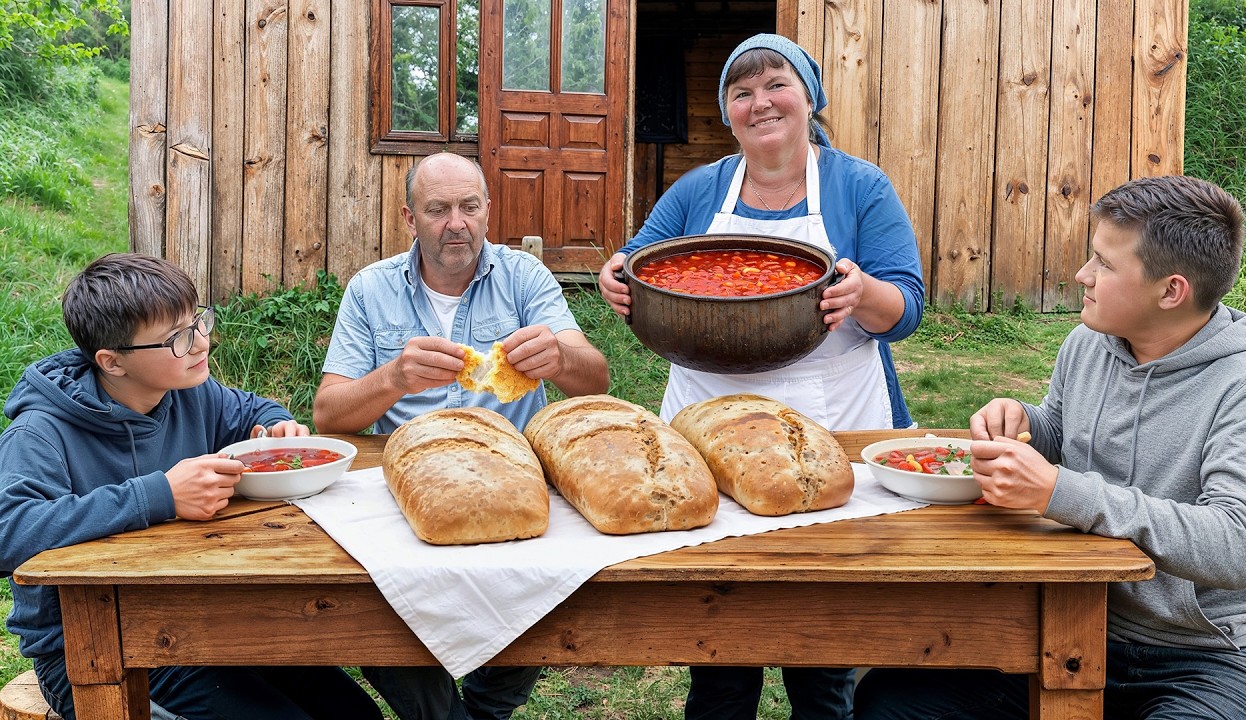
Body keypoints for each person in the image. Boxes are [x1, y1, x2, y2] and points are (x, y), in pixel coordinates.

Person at [855, 175, 1246, 719]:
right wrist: (1023, 420)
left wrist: (1060, 491)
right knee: (891, 706)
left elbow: (1240, 546)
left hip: (1216, 652)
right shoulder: (1090, 343)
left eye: (1104, 263)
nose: (1083, 275)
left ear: (1172, 291)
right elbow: (1060, 429)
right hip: (1076, 619)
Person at [597, 33, 925, 720]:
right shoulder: (698, 189)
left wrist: (861, 294)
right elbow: (637, 258)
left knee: (822, 643)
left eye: (776, 84)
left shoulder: (859, 186)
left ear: (809, 97)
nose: (760, 102)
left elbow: (906, 308)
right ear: (728, 113)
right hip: (708, 421)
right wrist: (613, 275)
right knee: (717, 638)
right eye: (741, 93)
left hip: (831, 425)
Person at [0, 253, 382, 720]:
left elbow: (249, 411)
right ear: (112, 362)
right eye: (177, 338)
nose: (201, 342)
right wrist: (160, 494)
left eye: (198, 320)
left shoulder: (190, 391)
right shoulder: (40, 433)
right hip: (93, 647)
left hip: (199, 619)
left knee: (353, 712)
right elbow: (8, 532)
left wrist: (276, 426)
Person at [313, 151, 610, 720]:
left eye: (470, 207)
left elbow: (594, 379)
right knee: (375, 604)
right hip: (410, 487)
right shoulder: (370, 290)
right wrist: (393, 377)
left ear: (488, 211)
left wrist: (558, 359)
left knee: (551, 583)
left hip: (514, 481)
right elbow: (328, 414)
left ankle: (487, 707)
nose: (457, 223)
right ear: (408, 218)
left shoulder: (524, 277)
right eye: (438, 209)